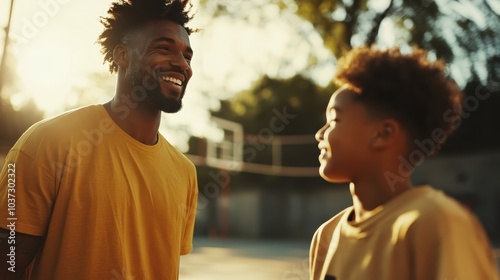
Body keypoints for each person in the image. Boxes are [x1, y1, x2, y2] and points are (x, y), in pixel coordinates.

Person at [0, 0, 198, 279]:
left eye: (187, 56)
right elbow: (7, 262)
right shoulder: (48, 142)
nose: (181, 64)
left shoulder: (184, 172)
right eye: (163, 48)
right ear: (122, 55)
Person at [310, 47, 499, 280]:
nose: (320, 134)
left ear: (384, 133)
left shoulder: (435, 222)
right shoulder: (326, 237)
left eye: (334, 119)